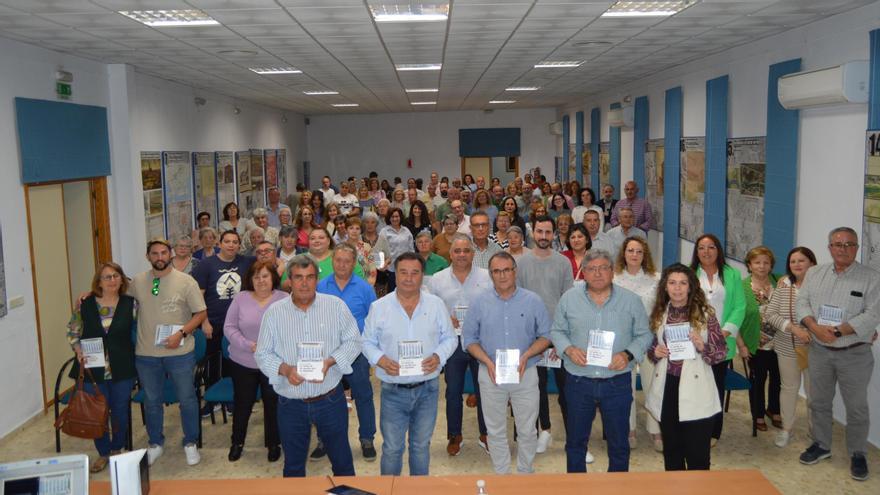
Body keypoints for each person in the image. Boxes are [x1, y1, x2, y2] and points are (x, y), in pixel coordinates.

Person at [255, 255, 361, 478]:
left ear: (317, 279)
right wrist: (285, 369)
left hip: (330, 399)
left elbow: (354, 342)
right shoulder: (274, 313)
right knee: (293, 467)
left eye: (310, 277)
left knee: (342, 464)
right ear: (289, 281)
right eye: (298, 277)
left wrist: (330, 362)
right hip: (290, 402)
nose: (304, 283)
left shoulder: (335, 306)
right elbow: (262, 353)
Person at [550, 249, 652, 473]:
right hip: (578, 381)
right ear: (583, 273)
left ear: (612, 272)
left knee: (619, 445)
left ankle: (617, 487)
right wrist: (568, 348)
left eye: (603, 268)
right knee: (575, 444)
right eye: (591, 269)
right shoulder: (569, 298)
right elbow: (557, 331)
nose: (597, 274)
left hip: (616, 382)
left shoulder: (631, 300)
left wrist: (627, 354)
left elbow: (645, 335)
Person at [795, 227, 879, 481]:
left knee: (856, 407)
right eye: (837, 244)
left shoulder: (872, 278)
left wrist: (838, 332)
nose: (843, 249)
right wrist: (814, 328)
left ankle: (858, 453)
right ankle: (821, 445)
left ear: (856, 248)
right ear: (829, 247)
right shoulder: (814, 272)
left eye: (849, 244)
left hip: (854, 353)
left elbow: (872, 314)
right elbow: (803, 302)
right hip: (819, 350)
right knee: (818, 401)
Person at [363, 253, 458, 475]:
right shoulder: (380, 307)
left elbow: (450, 338)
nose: (408, 278)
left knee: (420, 447)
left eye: (415, 273)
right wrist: (381, 360)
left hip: (427, 389)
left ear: (422, 276)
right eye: (403, 272)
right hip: (393, 390)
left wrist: (438, 357)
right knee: (392, 449)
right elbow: (366, 342)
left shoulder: (436, 305)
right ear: (395, 275)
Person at [462, 252, 551, 474]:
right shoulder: (479, 302)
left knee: (528, 430)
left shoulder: (533, 300)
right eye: (496, 271)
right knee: (495, 431)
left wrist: (527, 355)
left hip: (526, 372)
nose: (502, 275)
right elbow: (469, 340)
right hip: (490, 373)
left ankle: (524, 473)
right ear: (491, 274)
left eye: (506, 270)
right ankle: (502, 476)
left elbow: (546, 335)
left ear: (515, 271)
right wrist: (486, 361)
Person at [131, 238, 207, 466]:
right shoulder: (138, 282)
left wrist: (181, 334)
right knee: (152, 401)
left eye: (164, 253)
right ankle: (155, 443)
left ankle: (190, 442)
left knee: (187, 399)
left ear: (171, 255)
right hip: (147, 355)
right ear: (148, 257)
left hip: (180, 352)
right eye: (155, 254)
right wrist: (86, 296)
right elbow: (113, 296)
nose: (160, 257)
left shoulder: (186, 282)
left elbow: (200, 313)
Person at [645, 263, 727, 471]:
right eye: (672, 283)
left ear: (691, 287)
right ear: (665, 286)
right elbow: (652, 347)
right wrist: (655, 352)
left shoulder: (706, 314)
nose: (677, 288)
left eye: (683, 283)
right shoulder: (659, 313)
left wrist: (702, 345)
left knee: (698, 456)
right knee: (672, 452)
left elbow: (720, 352)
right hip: (668, 386)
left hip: (696, 389)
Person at [66, 262, 137, 473]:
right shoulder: (85, 303)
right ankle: (103, 452)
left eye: (116, 276)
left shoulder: (131, 304)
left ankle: (117, 450)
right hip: (92, 369)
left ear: (122, 279)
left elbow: (139, 332)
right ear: (99, 281)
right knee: (98, 413)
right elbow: (73, 331)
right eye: (107, 277)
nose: (112, 280)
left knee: (120, 412)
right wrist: (78, 351)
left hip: (122, 367)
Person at [516, 216, 576, 457]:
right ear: (533, 234)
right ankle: (545, 431)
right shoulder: (521, 263)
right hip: (531, 338)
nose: (543, 236)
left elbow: (568, 300)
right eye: (539, 231)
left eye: (547, 232)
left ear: (554, 235)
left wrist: (557, 338)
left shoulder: (563, 263)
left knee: (567, 390)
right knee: (536, 388)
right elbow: (517, 298)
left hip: (559, 336)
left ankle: (574, 442)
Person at [427, 235, 492, 456]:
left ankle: (486, 433)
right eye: (457, 251)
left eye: (466, 251)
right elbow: (430, 310)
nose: (462, 255)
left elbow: (494, 304)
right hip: (451, 343)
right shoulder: (437, 279)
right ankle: (454, 434)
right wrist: (445, 317)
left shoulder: (487, 277)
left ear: (473, 254)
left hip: (480, 341)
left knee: (485, 388)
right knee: (452, 391)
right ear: (451, 253)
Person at [316, 245, 379, 462]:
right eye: (338, 260)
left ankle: (367, 438)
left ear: (354, 263)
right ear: (332, 261)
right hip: (328, 353)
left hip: (357, 353)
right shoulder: (321, 286)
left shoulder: (364, 288)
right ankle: (324, 439)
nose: (342, 264)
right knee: (324, 396)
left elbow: (374, 320)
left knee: (363, 395)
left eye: (347, 261)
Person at [223, 260, 287, 462]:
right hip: (243, 361)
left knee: (272, 404)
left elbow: (290, 329)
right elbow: (229, 327)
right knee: (242, 404)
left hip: (273, 363)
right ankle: (237, 443)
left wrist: (272, 348)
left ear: (273, 278)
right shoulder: (241, 298)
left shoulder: (284, 298)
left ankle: (273, 444)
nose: (261, 281)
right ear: (250, 279)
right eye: (256, 277)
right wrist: (247, 344)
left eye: (265, 276)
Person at [689, 233, 745, 446]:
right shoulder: (690, 272)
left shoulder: (731, 274)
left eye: (711, 247)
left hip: (722, 340)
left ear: (718, 250)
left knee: (716, 385)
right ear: (697, 252)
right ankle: (695, 426)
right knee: (694, 385)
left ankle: (713, 431)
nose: (706, 252)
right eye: (702, 248)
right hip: (694, 340)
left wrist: (725, 331)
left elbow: (740, 306)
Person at [191, 230, 254, 416]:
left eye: (235, 241)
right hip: (214, 323)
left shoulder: (246, 262)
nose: (231, 245)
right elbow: (198, 297)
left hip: (239, 324)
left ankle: (231, 399)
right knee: (211, 364)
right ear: (220, 243)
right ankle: (212, 401)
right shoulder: (206, 265)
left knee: (233, 362)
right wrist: (204, 322)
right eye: (227, 241)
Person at [764, 246, 817, 448]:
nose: (796, 264)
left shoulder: (821, 286)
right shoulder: (783, 285)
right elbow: (770, 314)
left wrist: (812, 332)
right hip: (787, 345)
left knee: (814, 392)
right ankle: (786, 430)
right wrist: (793, 329)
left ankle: (816, 433)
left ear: (812, 263)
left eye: (801, 260)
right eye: (793, 261)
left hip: (815, 346)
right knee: (788, 388)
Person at [613, 236, 661, 451]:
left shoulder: (656, 279)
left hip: (650, 339)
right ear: (624, 253)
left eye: (639, 251)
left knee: (653, 384)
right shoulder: (614, 279)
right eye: (630, 251)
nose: (634, 255)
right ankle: (629, 428)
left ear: (645, 255)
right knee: (626, 387)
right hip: (623, 341)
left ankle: (655, 429)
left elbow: (660, 311)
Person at [738, 246, 782, 433]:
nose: (762, 266)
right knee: (758, 379)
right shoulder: (742, 287)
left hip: (780, 341)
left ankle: (774, 410)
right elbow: (736, 317)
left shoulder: (781, 281)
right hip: (755, 342)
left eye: (766, 262)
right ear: (749, 265)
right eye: (757, 262)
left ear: (771, 265)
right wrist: (741, 345)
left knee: (778, 378)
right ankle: (758, 413)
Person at [379, 207, 413, 292]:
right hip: (391, 269)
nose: (395, 219)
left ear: (400, 217)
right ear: (389, 218)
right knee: (393, 292)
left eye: (397, 216)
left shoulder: (406, 231)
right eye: (392, 217)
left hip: (406, 267)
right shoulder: (384, 231)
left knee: (406, 290)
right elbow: (379, 250)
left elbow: (411, 249)